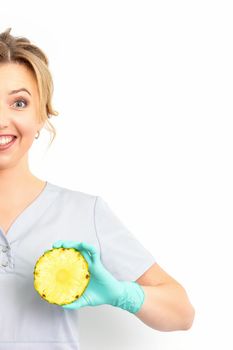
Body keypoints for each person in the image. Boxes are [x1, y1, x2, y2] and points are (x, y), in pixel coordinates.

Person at [0, 28, 195, 350]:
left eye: (19, 103)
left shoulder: (83, 212)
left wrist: (123, 294)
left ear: (41, 116)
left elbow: (182, 314)